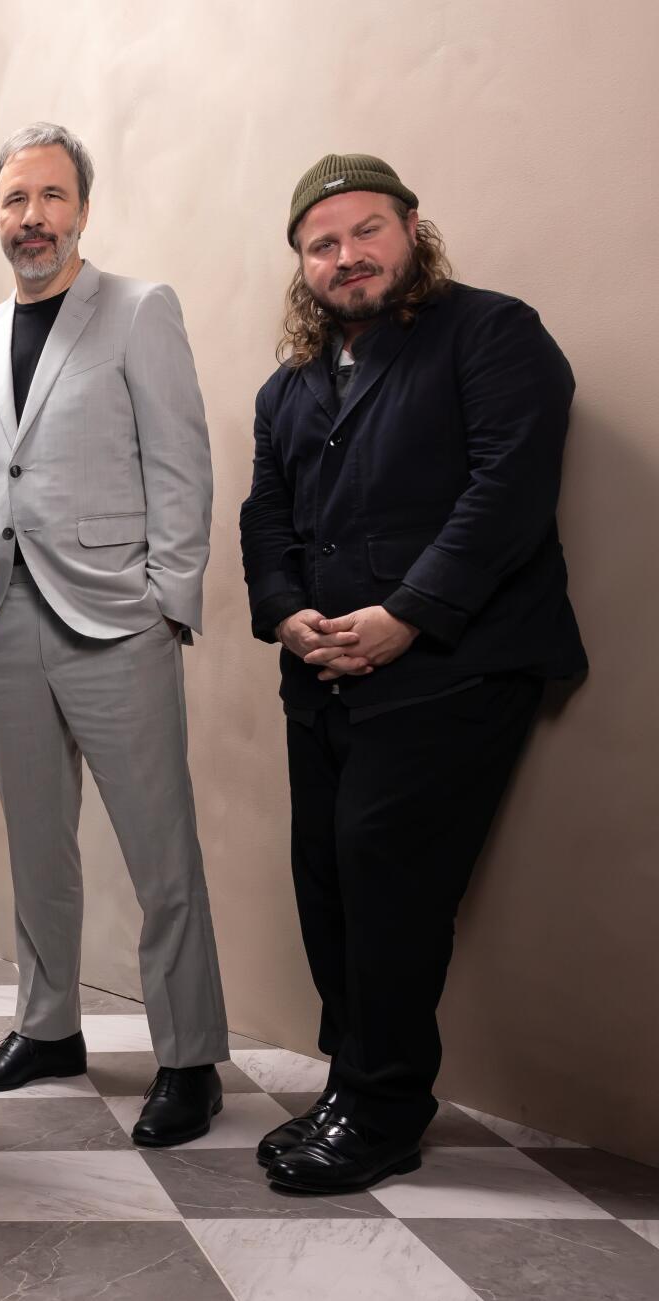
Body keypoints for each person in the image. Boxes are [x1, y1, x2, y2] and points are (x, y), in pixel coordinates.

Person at [240, 154, 585, 1192]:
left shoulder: (490, 333)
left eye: (364, 231)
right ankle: (352, 1081)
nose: (344, 256)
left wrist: (403, 616)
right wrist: (285, 613)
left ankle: (384, 1109)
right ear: (300, 263)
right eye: (320, 243)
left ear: (410, 230)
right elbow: (265, 516)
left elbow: (507, 489)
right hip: (323, 674)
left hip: (453, 666)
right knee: (326, 880)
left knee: (384, 876)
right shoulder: (286, 385)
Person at [0, 123, 228, 1146]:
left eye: (51, 197)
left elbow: (182, 466)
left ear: (81, 208)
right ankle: (46, 1024)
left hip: (117, 619)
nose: (33, 217)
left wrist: (166, 601)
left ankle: (188, 1055)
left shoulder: (138, 310)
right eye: (15, 199)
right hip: (2, 619)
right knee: (35, 845)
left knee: (161, 853)